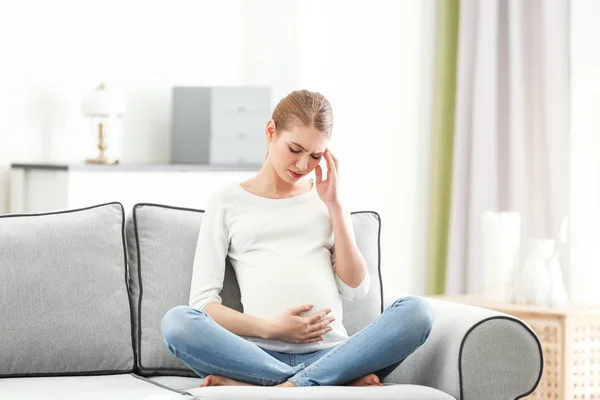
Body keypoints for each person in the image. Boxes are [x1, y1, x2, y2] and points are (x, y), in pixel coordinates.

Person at [160, 89, 434, 388]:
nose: (303, 165)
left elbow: (356, 289)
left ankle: (283, 388)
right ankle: (322, 385)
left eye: (316, 156)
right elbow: (203, 304)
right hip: (258, 355)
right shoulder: (227, 201)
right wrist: (271, 329)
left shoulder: (326, 199)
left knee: (417, 312)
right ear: (270, 132)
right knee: (177, 322)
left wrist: (335, 205)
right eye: (295, 149)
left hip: (332, 353)